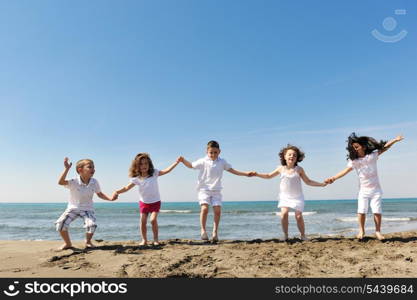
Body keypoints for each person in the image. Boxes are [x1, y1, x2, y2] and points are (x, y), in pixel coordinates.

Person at [325, 133, 404, 240]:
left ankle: (378, 231)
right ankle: (361, 231)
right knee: (361, 210)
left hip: (376, 189)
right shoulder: (354, 161)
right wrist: (333, 178)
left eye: (357, 147)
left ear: (364, 146)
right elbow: (345, 171)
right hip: (363, 191)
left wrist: (395, 140)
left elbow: (384, 148)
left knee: (377, 211)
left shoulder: (372, 156)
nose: (355, 149)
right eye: (353, 148)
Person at [181, 140, 255, 242]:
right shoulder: (203, 161)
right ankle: (203, 230)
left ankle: (215, 232)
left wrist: (246, 174)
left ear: (219, 151)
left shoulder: (222, 162)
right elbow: (191, 166)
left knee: (217, 211)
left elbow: (233, 171)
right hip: (204, 190)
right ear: (207, 151)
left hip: (216, 190)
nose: (213, 154)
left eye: (215, 152)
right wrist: (183, 160)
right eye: (211, 152)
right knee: (204, 209)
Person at [254, 145, 326, 241]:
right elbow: (268, 176)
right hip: (285, 196)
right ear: (284, 156)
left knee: (298, 216)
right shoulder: (281, 168)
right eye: (289, 154)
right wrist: (257, 174)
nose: (292, 156)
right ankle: (286, 235)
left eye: (294, 155)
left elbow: (308, 181)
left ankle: (303, 235)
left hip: (297, 197)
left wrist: (321, 184)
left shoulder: (299, 169)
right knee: (284, 214)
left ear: (297, 158)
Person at [113, 153, 181, 246]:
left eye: (146, 163)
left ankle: (156, 239)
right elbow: (126, 188)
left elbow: (166, 171)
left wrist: (176, 163)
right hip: (144, 203)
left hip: (155, 202)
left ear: (149, 164)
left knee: (153, 220)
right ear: (137, 166)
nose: (144, 166)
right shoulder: (136, 178)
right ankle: (144, 240)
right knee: (142, 221)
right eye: (141, 164)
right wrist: (117, 192)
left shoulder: (154, 173)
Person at [56, 157, 115, 250]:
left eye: (93, 167)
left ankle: (88, 242)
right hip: (73, 208)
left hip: (87, 209)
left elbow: (99, 194)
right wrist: (67, 169)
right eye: (90, 167)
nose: (93, 169)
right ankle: (68, 243)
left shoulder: (94, 182)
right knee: (60, 224)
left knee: (91, 225)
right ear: (80, 170)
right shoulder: (73, 182)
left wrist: (110, 199)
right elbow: (60, 182)